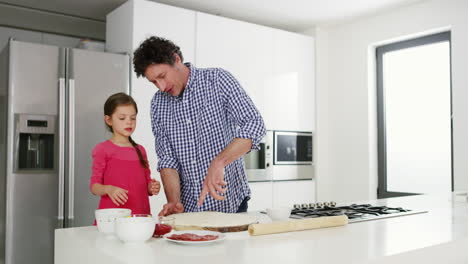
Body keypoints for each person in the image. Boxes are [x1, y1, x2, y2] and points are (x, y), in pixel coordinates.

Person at [133, 36, 266, 216]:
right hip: (189, 210)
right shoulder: (158, 103)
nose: (161, 87)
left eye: (162, 76)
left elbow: (254, 124)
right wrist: (173, 201)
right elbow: (167, 159)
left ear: (176, 60)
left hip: (230, 205)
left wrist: (219, 161)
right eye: (154, 82)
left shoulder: (218, 80)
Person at [90, 92, 161, 217]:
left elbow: (146, 184)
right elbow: (94, 186)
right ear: (108, 120)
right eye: (122, 118)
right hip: (112, 218)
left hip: (140, 217)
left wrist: (152, 187)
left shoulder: (140, 150)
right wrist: (108, 189)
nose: (129, 122)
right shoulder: (103, 149)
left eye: (133, 118)